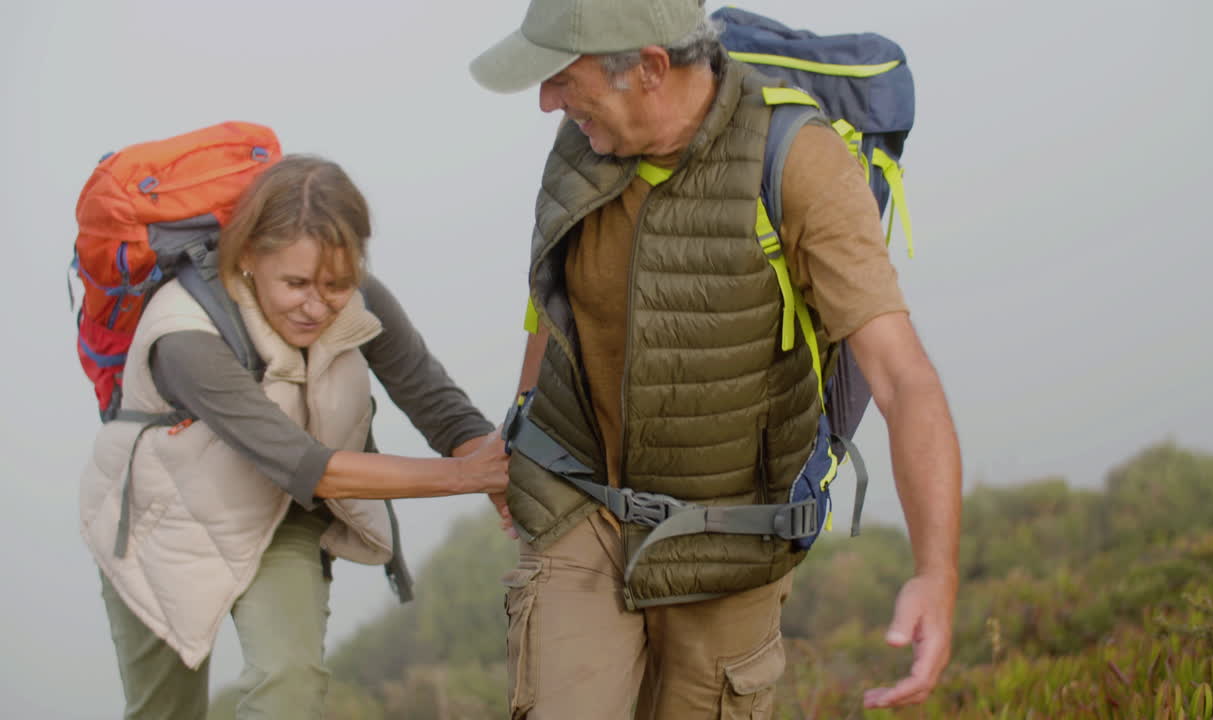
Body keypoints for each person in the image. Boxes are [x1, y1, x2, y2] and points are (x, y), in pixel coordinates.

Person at [469, 0, 962, 717]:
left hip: (731, 541)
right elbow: (553, 301)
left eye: (562, 77)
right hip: (581, 508)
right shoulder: (585, 140)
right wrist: (517, 424)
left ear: (650, 68)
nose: (546, 100)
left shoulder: (797, 161)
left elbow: (902, 375)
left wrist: (935, 572)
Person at [79, 154, 512, 719]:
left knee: (291, 687)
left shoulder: (359, 298)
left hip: (280, 512)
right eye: (296, 283)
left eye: (336, 283)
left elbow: (439, 409)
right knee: (165, 713)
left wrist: (504, 475)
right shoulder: (183, 333)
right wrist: (464, 477)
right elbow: (308, 465)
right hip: (160, 523)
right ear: (249, 256)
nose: (316, 305)